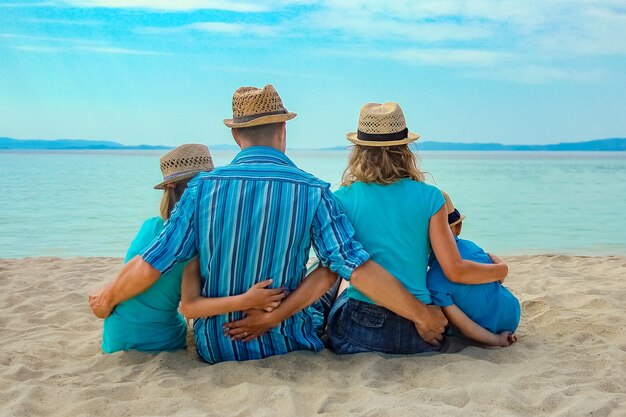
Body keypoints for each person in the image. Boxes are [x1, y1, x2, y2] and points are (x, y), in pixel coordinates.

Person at [89, 85, 448, 364]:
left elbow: (153, 261)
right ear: (283, 129)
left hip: (217, 346)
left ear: (235, 135)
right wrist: (423, 316)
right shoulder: (312, 190)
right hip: (286, 341)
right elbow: (354, 267)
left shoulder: (201, 189)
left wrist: (107, 298)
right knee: (327, 272)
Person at [324, 102, 509, 355]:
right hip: (418, 332)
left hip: (362, 329)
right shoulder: (431, 198)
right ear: (405, 149)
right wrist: (500, 269)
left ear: (358, 151)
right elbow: (455, 270)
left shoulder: (341, 198)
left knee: (340, 287)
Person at [101, 144, 214, 353]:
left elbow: (130, 276)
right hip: (162, 340)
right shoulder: (201, 240)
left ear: (169, 187)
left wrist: (106, 298)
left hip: (115, 336)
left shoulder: (150, 226)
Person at [427, 191, 520, 347]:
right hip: (513, 312)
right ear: (458, 228)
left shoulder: (432, 281)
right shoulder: (472, 247)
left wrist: (496, 340)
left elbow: (464, 324)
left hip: (487, 328)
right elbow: (498, 277)